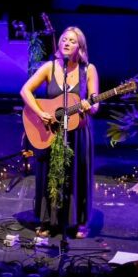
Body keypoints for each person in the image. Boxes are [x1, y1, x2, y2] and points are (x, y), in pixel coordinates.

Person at [20, 26, 98, 239]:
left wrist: (88, 105)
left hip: (78, 133)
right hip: (52, 131)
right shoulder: (50, 67)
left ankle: (79, 222)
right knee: (49, 177)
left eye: (72, 41)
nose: (66, 43)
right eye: (64, 39)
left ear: (80, 47)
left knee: (77, 176)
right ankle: (48, 220)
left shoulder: (88, 70)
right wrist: (40, 113)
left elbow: (95, 104)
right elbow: (25, 91)